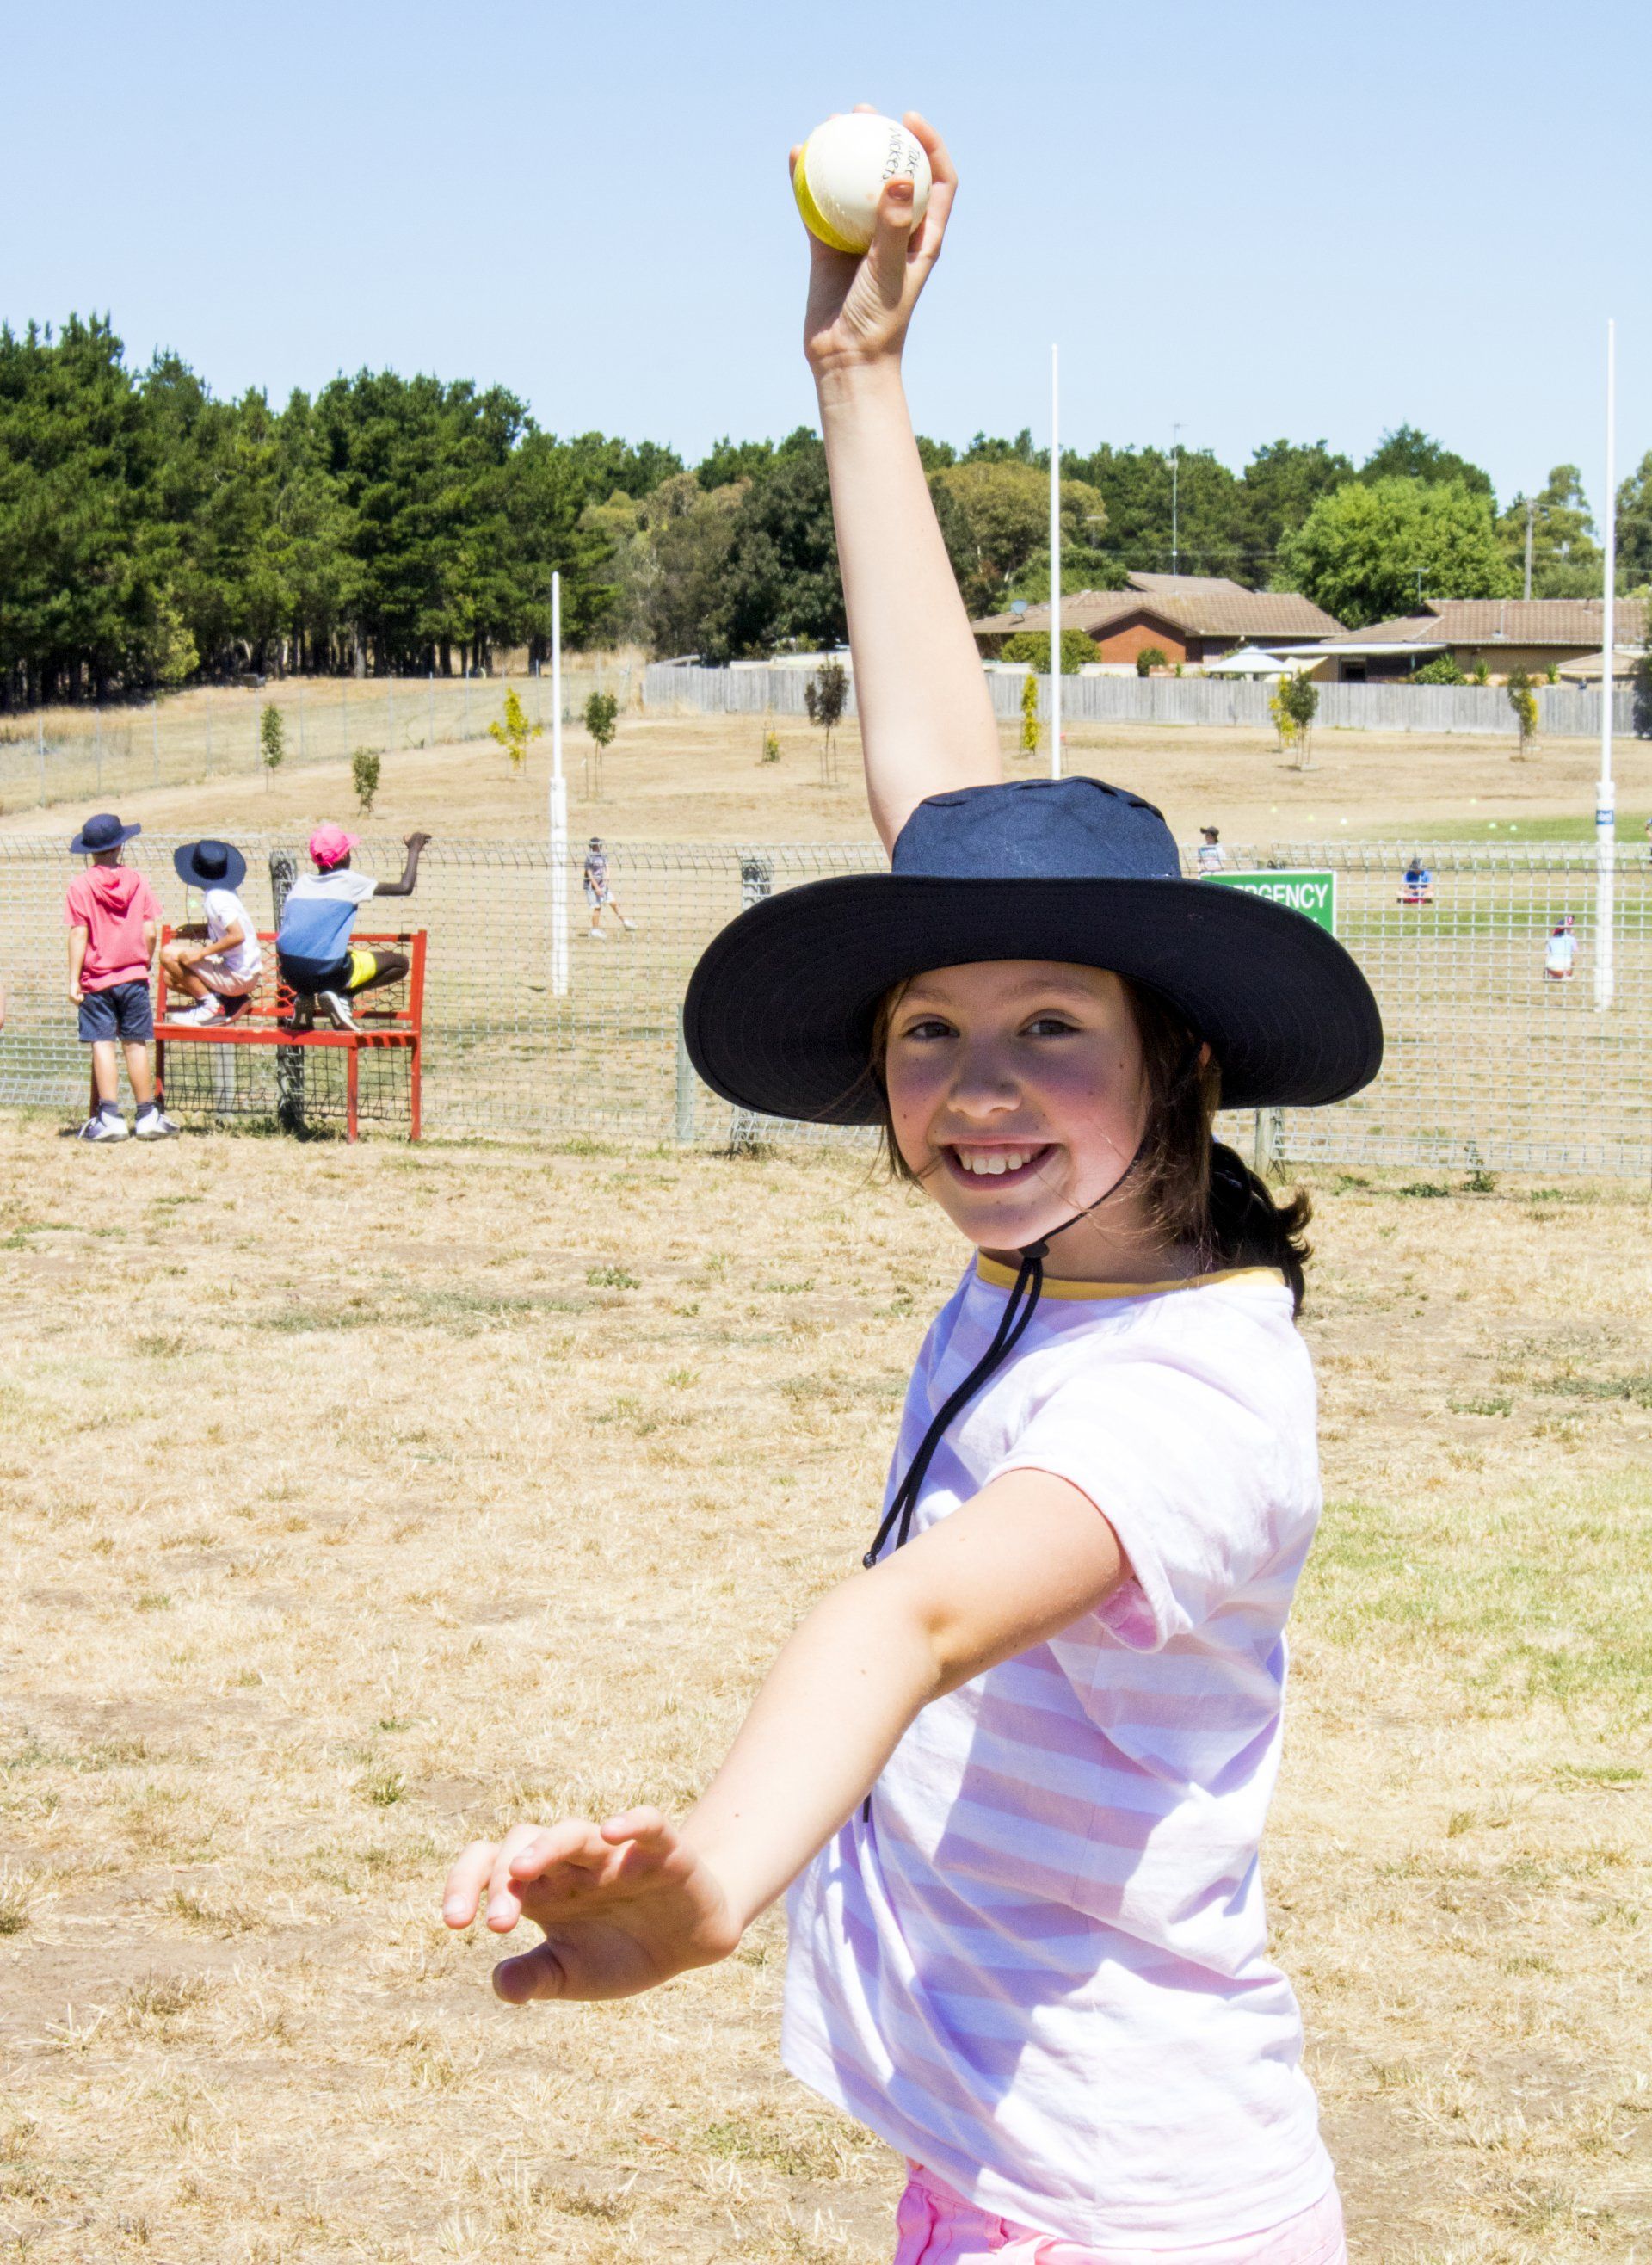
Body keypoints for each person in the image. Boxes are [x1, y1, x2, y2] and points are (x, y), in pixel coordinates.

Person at [442, 113, 1382, 2265]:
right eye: (925, 1032)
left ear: (1183, 1062)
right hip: (995, 2171)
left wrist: (710, 1885)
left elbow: (910, 1614)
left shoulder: (1191, 1394)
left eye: (1052, 1029)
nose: (973, 1086)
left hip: (1138, 2218)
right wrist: (858, 382)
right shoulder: (1061, 1269)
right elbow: (936, 781)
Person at [65, 812, 178, 1141]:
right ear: (120, 847)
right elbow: (150, 932)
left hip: (96, 980)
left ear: (90, 850)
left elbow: (78, 934)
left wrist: (74, 980)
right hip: (133, 976)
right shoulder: (139, 881)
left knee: (102, 1042)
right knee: (135, 1044)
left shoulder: (81, 885)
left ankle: (110, 1116)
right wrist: (140, 962)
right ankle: (146, 1115)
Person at [275, 824, 430, 1031]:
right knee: (399, 963)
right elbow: (405, 887)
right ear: (344, 856)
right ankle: (342, 996)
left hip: (291, 973)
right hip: (326, 972)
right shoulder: (348, 881)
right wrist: (414, 847)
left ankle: (305, 998)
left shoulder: (302, 883)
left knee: (331, 959)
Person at [161, 838, 263, 1025]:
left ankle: (211, 1007)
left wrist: (201, 954)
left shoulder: (216, 898)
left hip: (238, 976)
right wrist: (198, 930)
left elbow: (237, 935)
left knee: (167, 954)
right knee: (170, 978)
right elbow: (226, 930)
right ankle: (229, 1000)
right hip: (245, 974)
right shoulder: (226, 892)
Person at [583, 836, 633, 938]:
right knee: (597, 908)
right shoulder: (589, 858)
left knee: (613, 903)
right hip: (592, 887)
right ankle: (595, 930)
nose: (599, 846)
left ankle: (625, 922)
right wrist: (596, 887)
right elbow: (590, 875)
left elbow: (607, 867)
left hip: (602, 884)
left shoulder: (603, 856)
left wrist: (607, 878)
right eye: (597, 845)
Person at [1544, 914, 1577, 981]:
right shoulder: (1571, 938)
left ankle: (1556, 977)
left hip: (1552, 969)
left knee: (1549, 960)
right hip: (1566, 969)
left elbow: (1546, 955)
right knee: (1572, 960)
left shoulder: (1551, 939)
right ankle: (1566, 976)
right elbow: (1575, 954)